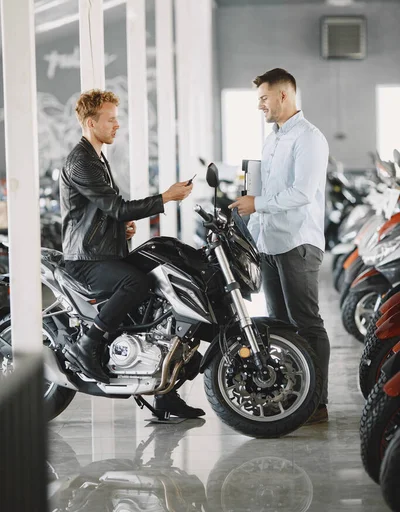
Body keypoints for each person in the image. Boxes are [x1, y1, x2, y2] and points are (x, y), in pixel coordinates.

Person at [60, 89, 204, 418]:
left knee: (161, 295)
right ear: (90, 122)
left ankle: (164, 394)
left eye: (116, 118)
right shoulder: (81, 160)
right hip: (84, 260)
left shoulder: (96, 157)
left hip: (101, 252)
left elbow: (102, 213)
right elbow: (116, 207)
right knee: (135, 283)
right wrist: (166, 197)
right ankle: (89, 343)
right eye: (110, 119)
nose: (117, 125)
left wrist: (118, 230)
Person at [229, 68, 330, 425]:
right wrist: (251, 221)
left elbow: (302, 193)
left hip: (298, 241)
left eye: (264, 98)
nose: (260, 106)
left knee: (306, 322)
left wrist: (256, 205)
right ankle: (293, 395)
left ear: (284, 96)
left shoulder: (309, 139)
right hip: (271, 242)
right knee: (280, 326)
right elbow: (265, 189)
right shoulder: (272, 138)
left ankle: (317, 400)